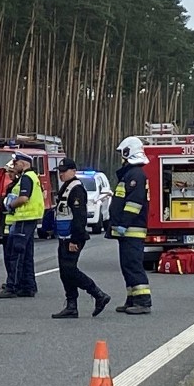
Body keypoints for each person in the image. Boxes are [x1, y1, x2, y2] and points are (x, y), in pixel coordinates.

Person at [51, 157, 112, 319]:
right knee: (65, 272)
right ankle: (71, 305)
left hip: (73, 237)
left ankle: (98, 294)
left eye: (64, 171)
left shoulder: (76, 189)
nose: (61, 174)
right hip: (65, 236)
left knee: (70, 270)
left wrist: (74, 240)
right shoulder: (66, 187)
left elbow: (80, 217)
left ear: (73, 171)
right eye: (60, 172)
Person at [108, 136, 152, 314]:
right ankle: (132, 298)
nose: (121, 157)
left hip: (132, 230)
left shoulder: (135, 175)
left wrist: (124, 223)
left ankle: (143, 301)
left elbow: (134, 203)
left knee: (133, 265)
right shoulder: (131, 173)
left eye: (122, 153)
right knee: (127, 266)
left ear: (128, 152)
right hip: (127, 231)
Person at [0, 151, 43, 298]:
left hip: (23, 218)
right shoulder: (32, 177)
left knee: (16, 254)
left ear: (23, 163)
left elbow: (23, 198)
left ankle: (12, 287)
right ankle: (28, 287)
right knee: (27, 255)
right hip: (30, 219)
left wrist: (9, 205)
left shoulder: (26, 178)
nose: (14, 166)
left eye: (16, 164)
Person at [0, 159, 19, 292]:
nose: (9, 174)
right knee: (7, 254)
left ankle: (13, 281)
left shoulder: (14, 186)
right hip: (6, 225)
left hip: (11, 225)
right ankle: (11, 279)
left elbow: (7, 203)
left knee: (11, 255)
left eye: (11, 172)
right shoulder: (10, 185)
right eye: (8, 172)